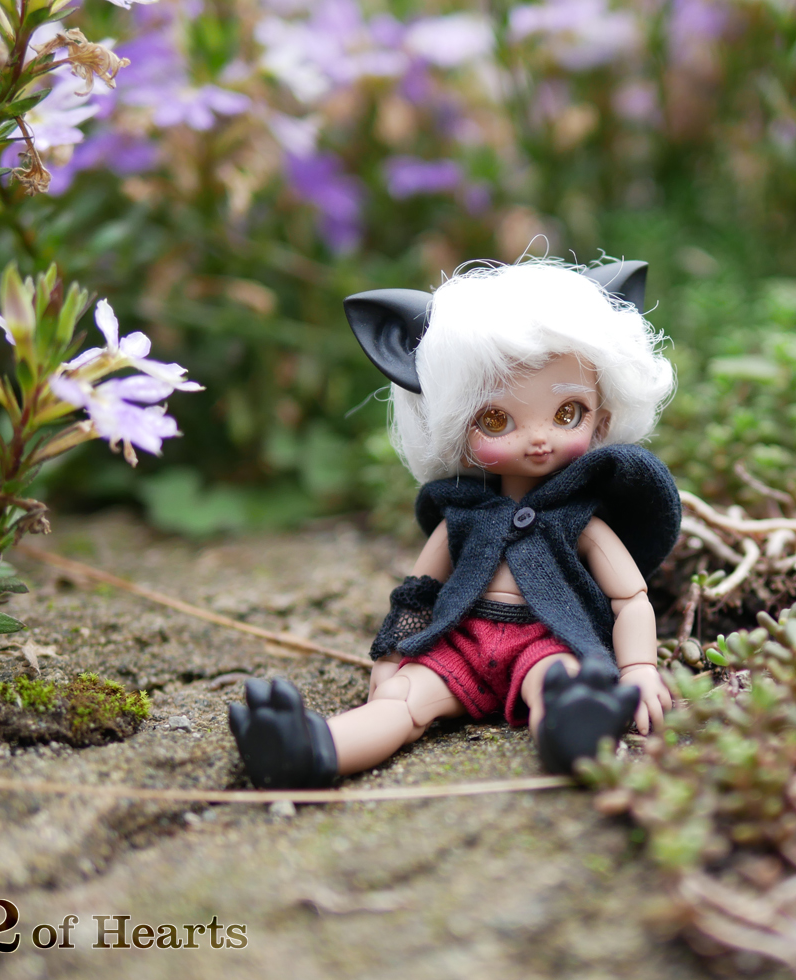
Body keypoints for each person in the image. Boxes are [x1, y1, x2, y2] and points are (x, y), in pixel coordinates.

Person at [228, 258, 680, 787]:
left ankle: (573, 735)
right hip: (460, 642)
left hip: (549, 638)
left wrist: (638, 668)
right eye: (496, 419)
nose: (539, 438)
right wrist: (392, 657)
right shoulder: (462, 517)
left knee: (562, 687)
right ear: (453, 427)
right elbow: (418, 593)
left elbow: (630, 598)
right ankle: (309, 750)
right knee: (402, 702)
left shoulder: (579, 522)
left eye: (567, 413)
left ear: (601, 420)